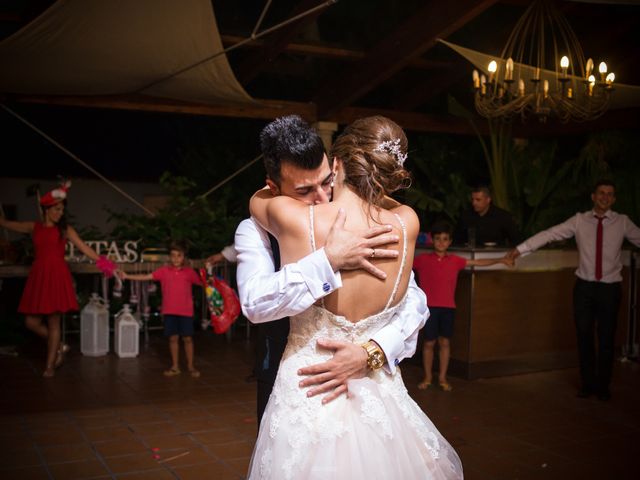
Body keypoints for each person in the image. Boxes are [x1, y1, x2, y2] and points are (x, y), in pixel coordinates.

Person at [246, 116, 462, 479]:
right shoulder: (406, 223)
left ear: (336, 164)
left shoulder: (293, 218)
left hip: (308, 389)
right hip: (378, 394)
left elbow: (258, 198)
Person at [236, 115, 429, 426]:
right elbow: (255, 303)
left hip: (369, 380)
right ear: (273, 186)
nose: (323, 197)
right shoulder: (252, 230)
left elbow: (414, 301)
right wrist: (328, 261)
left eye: (326, 182)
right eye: (304, 190)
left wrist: (373, 351)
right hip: (294, 383)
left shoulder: (378, 225)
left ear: (336, 167)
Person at [508, 180, 640, 401]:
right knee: (584, 336)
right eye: (601, 193)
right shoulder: (580, 220)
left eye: (610, 194)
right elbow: (550, 233)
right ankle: (587, 384)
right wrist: (519, 250)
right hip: (585, 288)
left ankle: (603, 386)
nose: (605, 197)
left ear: (614, 199)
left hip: (610, 288)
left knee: (607, 339)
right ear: (593, 196)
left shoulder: (622, 222)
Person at [0, 181, 107, 377]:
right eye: (56, 209)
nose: (59, 213)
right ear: (46, 209)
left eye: (61, 209)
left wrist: (107, 264)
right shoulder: (35, 227)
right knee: (31, 322)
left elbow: (85, 249)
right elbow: (6, 223)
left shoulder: (65, 230)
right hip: (39, 277)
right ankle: (60, 345)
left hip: (57, 276)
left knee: (54, 322)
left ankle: (49, 366)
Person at [414, 221, 513, 392]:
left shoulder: (455, 261)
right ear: (433, 241)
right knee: (429, 343)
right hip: (429, 309)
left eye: (445, 239)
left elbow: (477, 263)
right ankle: (428, 377)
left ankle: (443, 378)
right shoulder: (421, 260)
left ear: (450, 241)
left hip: (448, 308)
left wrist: (501, 259)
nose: (441, 243)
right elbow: (403, 265)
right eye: (437, 239)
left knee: (444, 342)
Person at [120, 241, 202, 377]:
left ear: (184, 257)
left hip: (186, 311)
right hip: (169, 311)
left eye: (179, 256)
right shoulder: (164, 271)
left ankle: (191, 366)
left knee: (187, 339)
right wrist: (127, 276)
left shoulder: (189, 272)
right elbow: (146, 277)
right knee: (173, 339)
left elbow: (203, 283)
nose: (176, 259)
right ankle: (175, 366)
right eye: (173, 255)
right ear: (169, 257)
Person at [455, 185, 519, 247]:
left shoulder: (502, 216)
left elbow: (516, 240)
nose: (474, 203)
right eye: (472, 199)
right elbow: (457, 240)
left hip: (496, 255)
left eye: (478, 200)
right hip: (470, 255)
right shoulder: (466, 215)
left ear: (488, 200)